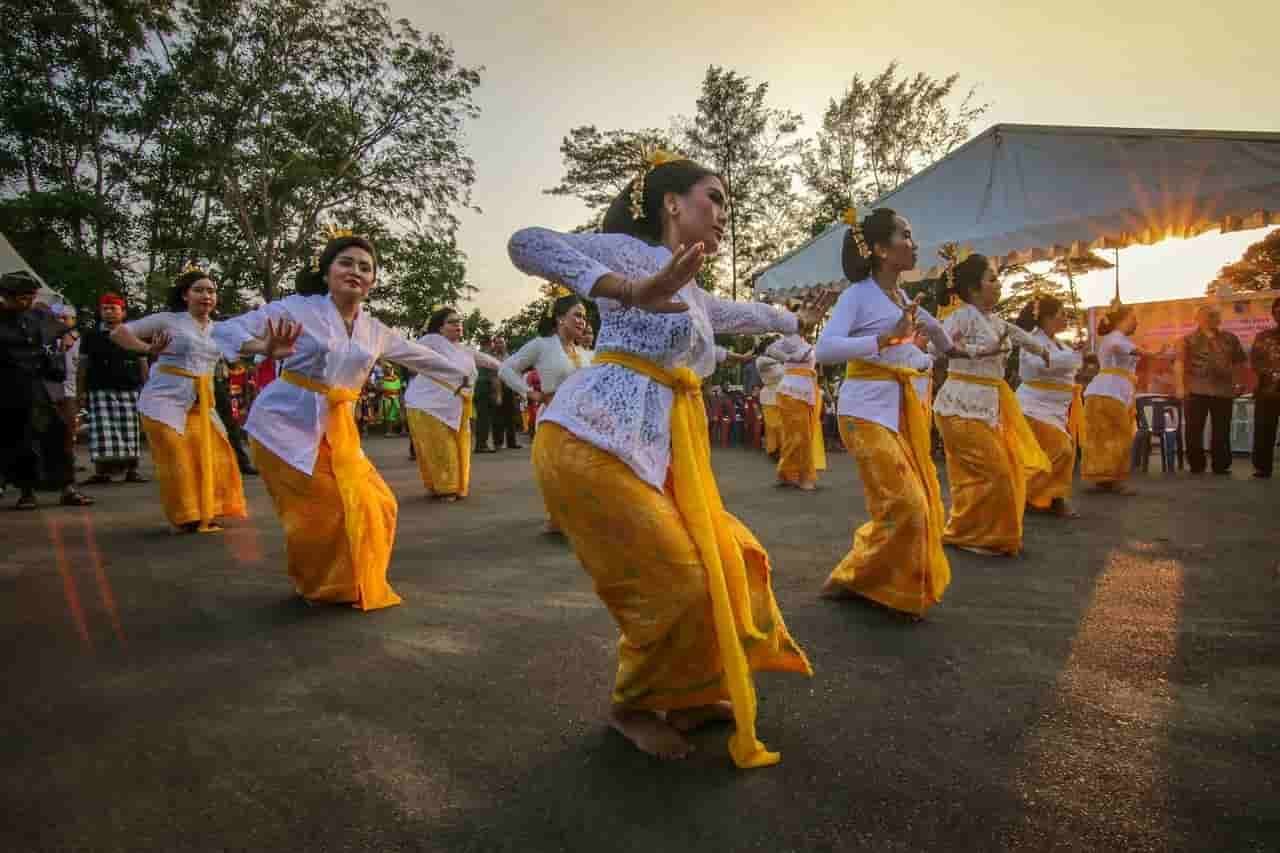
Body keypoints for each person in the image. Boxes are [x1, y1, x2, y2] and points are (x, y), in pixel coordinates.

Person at [508, 152, 817, 768]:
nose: (724, 212)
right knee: (676, 577)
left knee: (720, 566)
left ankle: (690, 692)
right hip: (589, 439)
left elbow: (740, 314)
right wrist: (627, 290)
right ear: (671, 203)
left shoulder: (693, 292)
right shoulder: (624, 251)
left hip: (653, 447)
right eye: (715, 196)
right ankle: (635, 705)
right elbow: (527, 242)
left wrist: (793, 315)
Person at [213, 231, 467, 610]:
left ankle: (349, 581)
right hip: (282, 425)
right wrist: (263, 347)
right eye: (345, 263)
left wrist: (464, 379)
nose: (355, 272)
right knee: (324, 510)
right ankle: (322, 585)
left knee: (379, 502)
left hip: (337, 430)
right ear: (327, 271)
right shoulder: (295, 309)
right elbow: (224, 331)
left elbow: (419, 357)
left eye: (365, 267)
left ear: (373, 281)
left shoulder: (375, 330)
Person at [813, 208, 963, 616]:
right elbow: (823, 350)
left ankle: (868, 581)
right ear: (880, 249)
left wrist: (951, 349)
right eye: (906, 236)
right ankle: (857, 578)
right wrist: (885, 338)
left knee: (911, 505)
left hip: (897, 413)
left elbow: (931, 328)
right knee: (907, 504)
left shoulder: (900, 298)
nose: (913, 244)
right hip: (863, 413)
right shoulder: (858, 295)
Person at [111, 267, 247, 533]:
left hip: (199, 404)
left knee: (210, 454)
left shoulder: (219, 329)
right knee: (177, 456)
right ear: (185, 295)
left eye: (211, 291)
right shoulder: (168, 320)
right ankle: (187, 517)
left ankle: (208, 510)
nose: (206, 295)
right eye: (199, 290)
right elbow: (119, 333)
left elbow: (251, 345)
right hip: (163, 400)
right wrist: (147, 348)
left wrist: (272, 347)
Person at [932, 255, 1051, 556]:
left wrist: (1042, 349)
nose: (998, 286)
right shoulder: (962, 317)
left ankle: (973, 532)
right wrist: (980, 350)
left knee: (999, 471)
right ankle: (978, 535)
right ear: (973, 288)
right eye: (992, 279)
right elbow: (936, 346)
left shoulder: (995, 322)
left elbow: (1019, 335)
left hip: (987, 404)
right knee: (995, 471)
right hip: (959, 404)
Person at [0, 271, 94, 509]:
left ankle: (68, 487)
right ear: (6, 297)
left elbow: (64, 327)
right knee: (19, 441)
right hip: (9, 387)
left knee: (57, 434)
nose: (27, 302)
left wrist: (69, 335)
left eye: (30, 296)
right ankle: (26, 492)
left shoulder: (39, 313)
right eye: (21, 298)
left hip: (39, 386)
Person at [498, 294, 592, 531]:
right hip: (555, 418)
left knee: (581, 471)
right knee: (558, 471)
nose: (582, 321)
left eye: (584, 317)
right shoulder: (541, 345)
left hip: (583, 422)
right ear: (560, 318)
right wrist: (530, 393)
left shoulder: (583, 352)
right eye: (577, 315)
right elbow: (506, 369)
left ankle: (578, 519)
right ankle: (560, 518)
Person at [403, 307, 502, 501]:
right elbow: (408, 355)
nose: (458, 325)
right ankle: (445, 488)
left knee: (458, 447)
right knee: (441, 448)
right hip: (427, 405)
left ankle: (451, 486)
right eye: (452, 322)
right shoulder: (431, 341)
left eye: (459, 321)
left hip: (456, 406)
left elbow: (490, 362)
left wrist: (511, 367)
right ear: (440, 328)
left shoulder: (463, 349)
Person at [1015, 296, 1084, 518]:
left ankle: (1045, 496)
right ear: (1046, 318)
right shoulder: (1031, 341)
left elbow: (1068, 363)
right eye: (1061, 313)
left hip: (1056, 409)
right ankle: (1038, 495)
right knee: (1061, 450)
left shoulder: (1061, 344)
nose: (1065, 318)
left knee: (1055, 452)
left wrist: (1073, 353)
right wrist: (1071, 356)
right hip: (1034, 407)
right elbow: (1040, 364)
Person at [1083, 303, 1153, 495]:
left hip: (1105, 392)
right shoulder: (1115, 338)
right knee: (1117, 436)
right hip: (1109, 393)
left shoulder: (1115, 338)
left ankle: (1104, 478)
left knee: (1105, 437)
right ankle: (1111, 479)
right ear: (1122, 321)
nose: (1136, 323)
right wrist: (1149, 353)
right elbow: (1118, 346)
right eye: (1133, 319)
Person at [79, 293, 149, 484]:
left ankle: (132, 471)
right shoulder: (91, 336)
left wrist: (147, 388)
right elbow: (83, 366)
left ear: (123, 312)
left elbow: (142, 362)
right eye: (105, 309)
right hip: (99, 389)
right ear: (100, 312)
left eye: (113, 309)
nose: (109, 312)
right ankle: (102, 472)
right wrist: (81, 391)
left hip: (130, 388)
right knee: (102, 431)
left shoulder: (133, 334)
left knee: (130, 431)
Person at [1176, 304, 1246, 475]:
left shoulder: (1230, 338)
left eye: (1215, 315)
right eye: (1208, 315)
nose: (1212, 319)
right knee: (1194, 429)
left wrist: (1238, 383)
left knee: (1221, 429)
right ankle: (1196, 465)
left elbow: (1238, 362)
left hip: (1223, 390)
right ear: (1197, 319)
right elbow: (1179, 363)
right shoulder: (1187, 339)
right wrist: (1180, 386)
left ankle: (1221, 465)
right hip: (1196, 389)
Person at [765, 328, 826, 489]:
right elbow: (770, 349)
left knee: (797, 435)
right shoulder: (792, 339)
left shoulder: (805, 342)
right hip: (792, 392)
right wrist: (789, 357)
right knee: (800, 436)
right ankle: (803, 476)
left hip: (804, 392)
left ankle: (787, 473)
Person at [1250, 297, 1280, 478]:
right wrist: (1272, 373)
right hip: (1267, 390)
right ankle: (1263, 467)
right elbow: (1255, 360)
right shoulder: (1263, 336)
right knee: (1264, 429)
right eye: (1277, 311)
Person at [755, 338, 784, 458]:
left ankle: (782, 450)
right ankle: (773, 449)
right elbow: (771, 362)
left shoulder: (777, 361)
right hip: (769, 397)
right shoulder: (761, 360)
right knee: (773, 426)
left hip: (781, 395)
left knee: (781, 425)